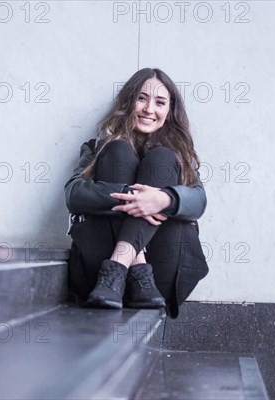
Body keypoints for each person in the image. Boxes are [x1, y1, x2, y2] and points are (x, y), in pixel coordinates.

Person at [65, 68, 208, 318]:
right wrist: (133, 196)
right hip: (100, 275)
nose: (149, 109)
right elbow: (74, 194)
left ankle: (118, 266)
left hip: (161, 269)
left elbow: (199, 201)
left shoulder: (181, 153)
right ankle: (132, 268)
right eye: (141, 98)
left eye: (160, 102)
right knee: (117, 151)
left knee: (162, 158)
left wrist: (164, 199)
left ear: (169, 111)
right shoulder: (97, 146)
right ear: (128, 101)